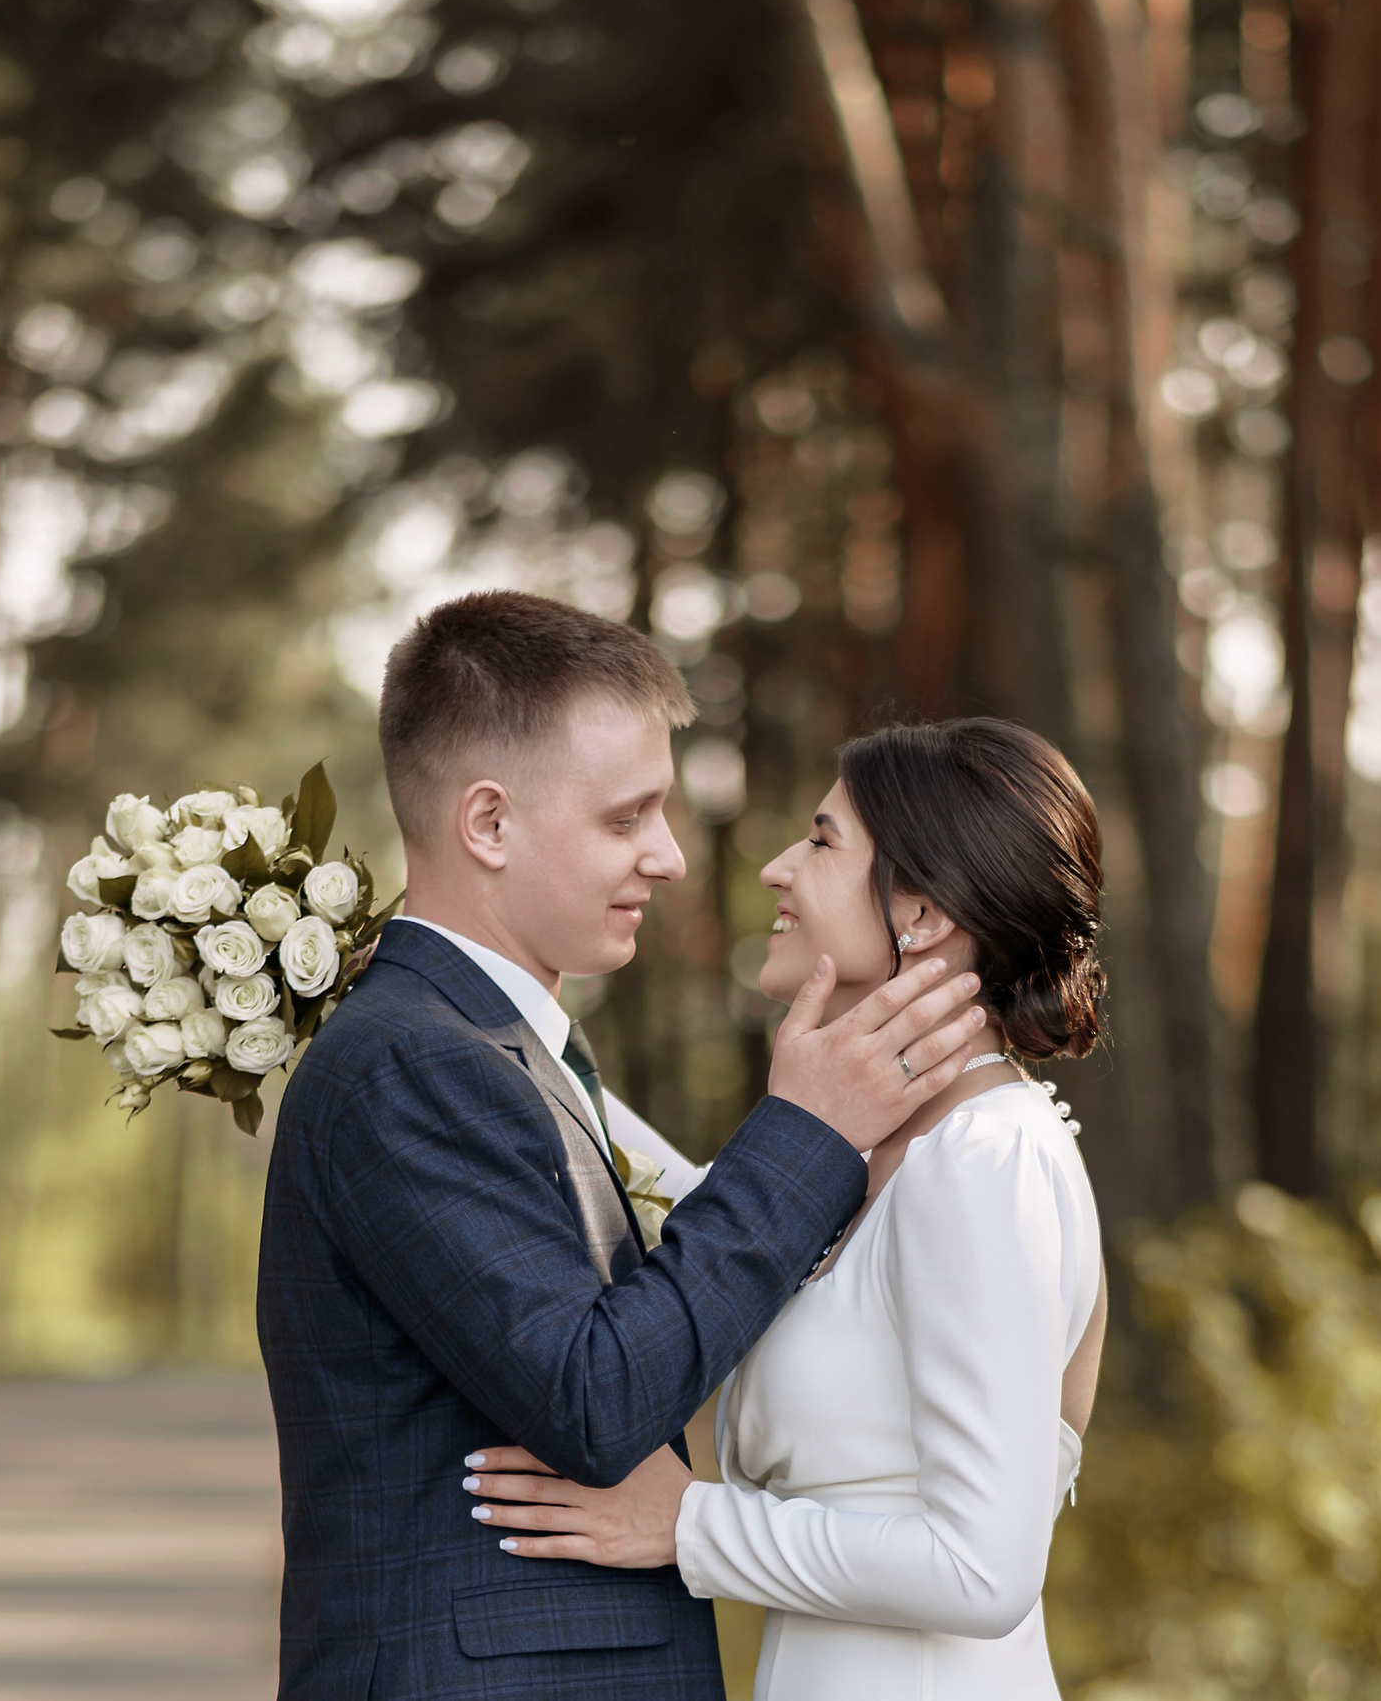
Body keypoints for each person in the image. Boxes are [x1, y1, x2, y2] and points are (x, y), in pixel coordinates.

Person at [258, 591, 989, 1700]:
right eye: (625, 817)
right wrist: (808, 1130)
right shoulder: (412, 1060)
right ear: (488, 823)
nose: (671, 858)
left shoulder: (494, 1048)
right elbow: (595, 1395)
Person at [460, 717, 1111, 1701]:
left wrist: (686, 1524)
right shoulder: (868, 1158)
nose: (774, 868)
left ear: (922, 909)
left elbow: (987, 1568)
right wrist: (432, 987)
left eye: (819, 840)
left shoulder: (984, 1159)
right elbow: (669, 1191)